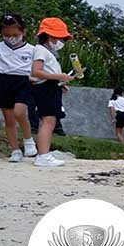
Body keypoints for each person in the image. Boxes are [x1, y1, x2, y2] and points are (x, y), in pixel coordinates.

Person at [0, 14, 38, 162]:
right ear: (2, 34)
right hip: (4, 82)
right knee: (8, 119)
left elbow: (38, 69)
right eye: (7, 35)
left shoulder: (32, 50)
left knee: (20, 112)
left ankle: (28, 140)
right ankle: (15, 150)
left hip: (23, 82)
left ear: (23, 32)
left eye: (15, 34)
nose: (11, 37)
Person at [30, 17, 75, 167]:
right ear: (50, 35)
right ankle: (42, 155)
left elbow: (47, 71)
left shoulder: (49, 52)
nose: (61, 41)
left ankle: (44, 153)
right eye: (60, 38)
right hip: (44, 88)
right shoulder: (41, 50)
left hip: (51, 87)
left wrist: (59, 83)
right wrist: (59, 77)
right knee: (48, 121)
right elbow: (36, 71)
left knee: (50, 121)